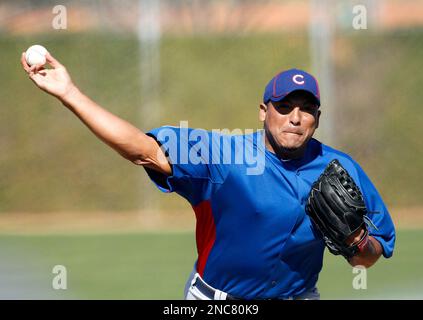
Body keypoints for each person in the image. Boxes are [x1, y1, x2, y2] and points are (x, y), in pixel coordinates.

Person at [21, 52, 396, 300]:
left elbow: (365, 260)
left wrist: (357, 240)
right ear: (263, 112)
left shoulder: (340, 168)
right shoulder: (223, 156)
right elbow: (141, 149)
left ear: (318, 116)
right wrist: (69, 93)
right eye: (284, 106)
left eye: (307, 108)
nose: (295, 117)